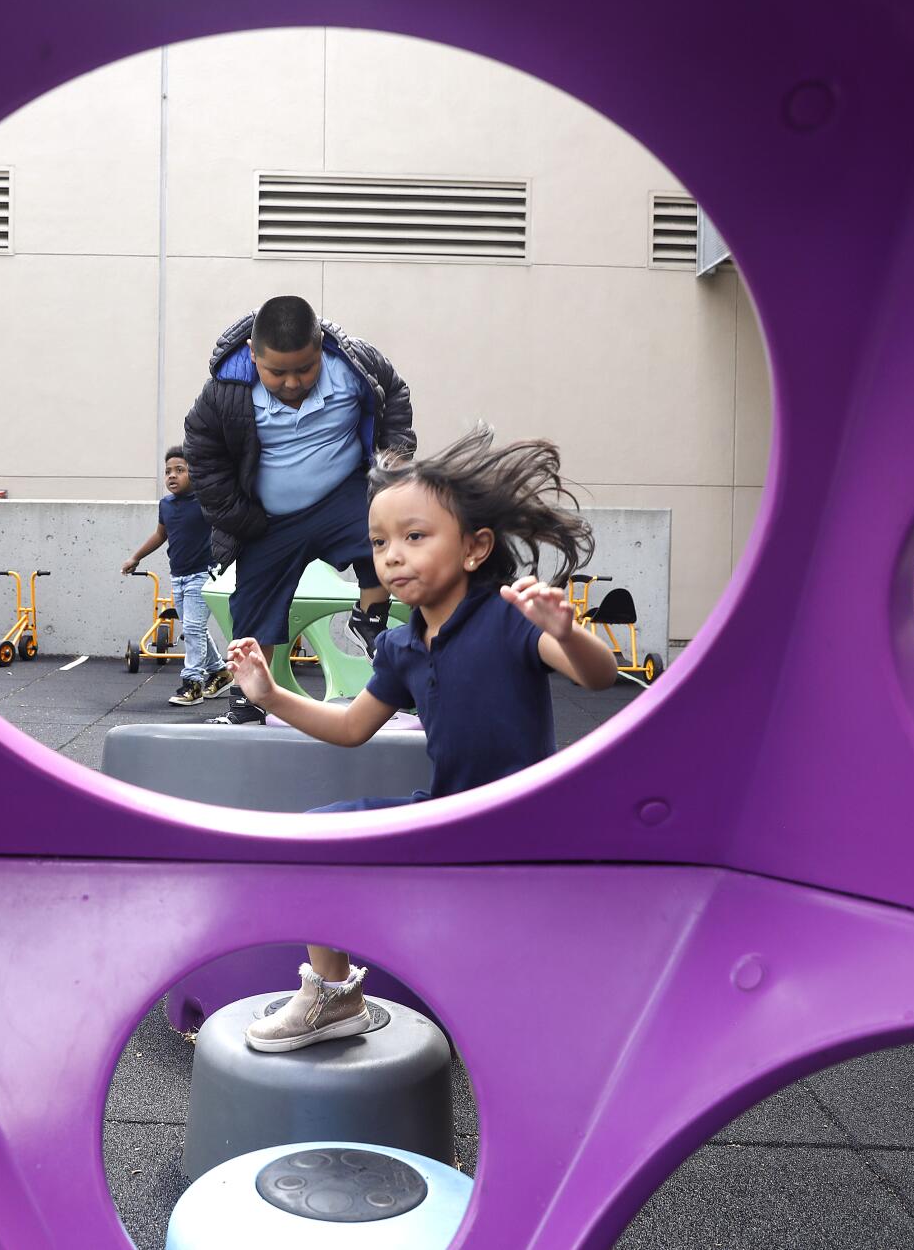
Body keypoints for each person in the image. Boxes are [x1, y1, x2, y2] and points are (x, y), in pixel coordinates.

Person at [225, 426, 623, 1052]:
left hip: (524, 827)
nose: (392, 556)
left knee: (517, 999)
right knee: (311, 837)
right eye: (380, 542)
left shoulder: (507, 618)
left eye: (414, 537)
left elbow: (598, 677)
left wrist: (567, 633)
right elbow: (351, 727)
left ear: (474, 548)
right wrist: (272, 694)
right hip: (447, 816)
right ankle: (335, 997)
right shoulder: (404, 644)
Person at [184, 295, 415, 724]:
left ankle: (370, 619)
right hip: (270, 521)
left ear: (320, 346)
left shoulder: (354, 367)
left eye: (304, 369)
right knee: (253, 605)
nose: (292, 382)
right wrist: (238, 518)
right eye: (277, 372)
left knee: (388, 537)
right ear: (253, 355)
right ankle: (248, 700)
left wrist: (394, 466)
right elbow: (202, 452)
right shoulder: (225, 393)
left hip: (342, 497)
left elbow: (395, 395)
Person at [122, 447, 233, 706]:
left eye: (180, 470)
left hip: (204, 574)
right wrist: (135, 557)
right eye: (168, 472)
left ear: (194, 473)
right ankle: (220, 672)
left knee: (193, 628)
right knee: (194, 629)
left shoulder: (206, 501)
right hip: (179, 576)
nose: (172, 476)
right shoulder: (167, 505)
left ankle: (192, 683)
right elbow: (161, 535)